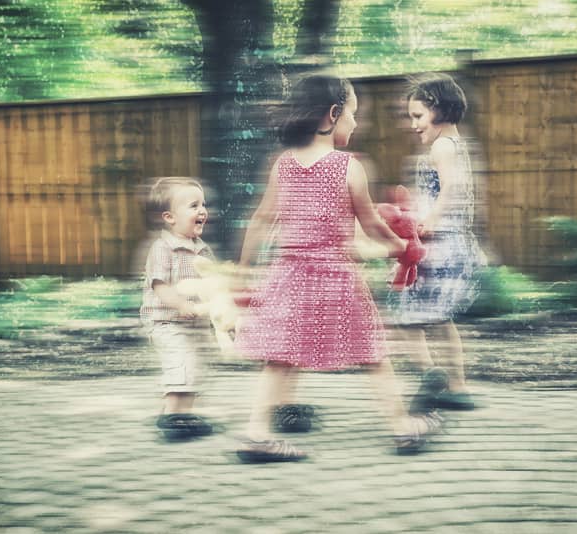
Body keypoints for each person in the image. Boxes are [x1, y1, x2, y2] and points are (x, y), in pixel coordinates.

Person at [234, 74, 443, 462]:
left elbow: (262, 219)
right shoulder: (348, 167)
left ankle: (256, 434)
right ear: (332, 115)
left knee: (279, 358)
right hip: (335, 278)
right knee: (373, 355)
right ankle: (401, 427)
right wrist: (402, 246)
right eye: (352, 114)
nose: (356, 122)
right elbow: (372, 225)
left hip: (290, 276)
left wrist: (245, 270)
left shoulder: (283, 165)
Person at [388, 73, 487, 413]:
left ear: (439, 109)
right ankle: (458, 388)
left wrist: (429, 220)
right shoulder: (457, 145)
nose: (413, 125)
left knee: (405, 318)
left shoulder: (442, 146)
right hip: (452, 243)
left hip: (437, 246)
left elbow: (451, 189)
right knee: (442, 320)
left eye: (418, 116)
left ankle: (430, 376)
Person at [139, 177, 216, 440]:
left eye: (203, 204)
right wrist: (182, 304)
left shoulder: (202, 251)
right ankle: (172, 417)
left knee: (195, 367)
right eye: (193, 205)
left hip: (195, 324)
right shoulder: (162, 249)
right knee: (181, 363)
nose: (202, 211)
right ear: (169, 217)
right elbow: (159, 286)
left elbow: (212, 284)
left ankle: (183, 416)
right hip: (167, 322)